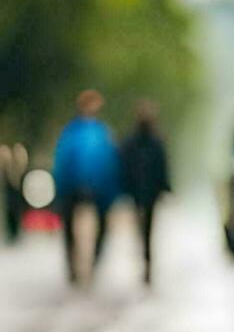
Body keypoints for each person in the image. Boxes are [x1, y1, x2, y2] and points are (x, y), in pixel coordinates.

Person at [52, 90, 121, 284]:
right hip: (72, 186)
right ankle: (73, 266)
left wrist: (111, 189)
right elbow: (62, 161)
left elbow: (110, 162)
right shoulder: (72, 132)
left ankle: (94, 264)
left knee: (102, 225)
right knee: (69, 227)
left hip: (98, 188)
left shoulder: (102, 132)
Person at [119, 100, 171, 284]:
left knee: (145, 228)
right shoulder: (143, 142)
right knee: (144, 228)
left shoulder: (149, 142)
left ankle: (146, 260)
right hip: (141, 191)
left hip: (147, 192)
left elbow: (162, 167)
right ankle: (145, 259)